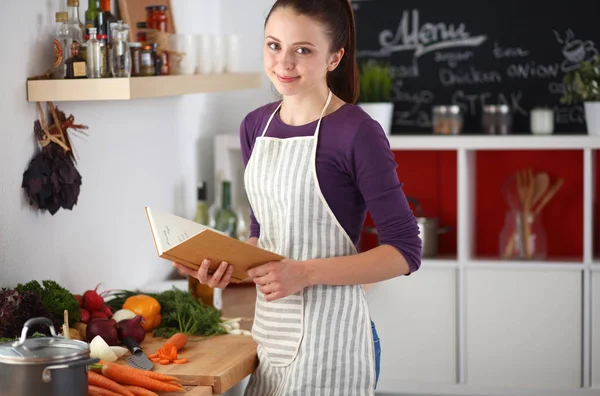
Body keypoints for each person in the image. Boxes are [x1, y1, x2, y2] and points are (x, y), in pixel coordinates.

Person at [173, 0, 422, 394]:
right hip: (271, 337)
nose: (283, 63)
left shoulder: (357, 132)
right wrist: (225, 267)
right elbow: (263, 235)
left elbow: (405, 252)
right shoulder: (256, 126)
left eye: (302, 50)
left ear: (334, 58)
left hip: (333, 344)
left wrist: (303, 273)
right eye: (274, 45)